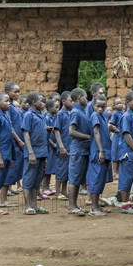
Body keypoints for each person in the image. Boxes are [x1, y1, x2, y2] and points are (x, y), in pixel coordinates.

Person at [67, 87, 92, 217]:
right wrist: (89, 137)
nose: (86, 99)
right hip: (78, 150)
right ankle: (71, 206)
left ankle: (75, 205)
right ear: (79, 98)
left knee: (78, 178)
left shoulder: (82, 111)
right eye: (85, 97)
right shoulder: (76, 112)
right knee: (74, 178)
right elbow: (71, 131)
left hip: (84, 150)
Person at [118, 91, 133, 214]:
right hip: (128, 152)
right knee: (126, 178)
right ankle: (125, 205)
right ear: (127, 102)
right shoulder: (126, 116)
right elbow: (127, 135)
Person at [88, 95, 113, 216]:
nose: (100, 109)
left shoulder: (104, 116)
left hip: (106, 151)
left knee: (101, 179)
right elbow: (96, 132)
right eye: (98, 106)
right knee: (96, 179)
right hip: (98, 152)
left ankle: (97, 205)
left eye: (103, 107)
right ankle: (93, 207)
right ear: (93, 106)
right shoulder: (95, 116)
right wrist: (101, 151)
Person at [54, 91, 72, 200]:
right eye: (70, 100)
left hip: (69, 145)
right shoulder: (60, 114)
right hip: (63, 146)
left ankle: (64, 190)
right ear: (64, 101)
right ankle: (57, 191)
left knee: (66, 170)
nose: (72, 102)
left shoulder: (70, 113)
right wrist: (61, 146)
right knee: (61, 168)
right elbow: (57, 131)